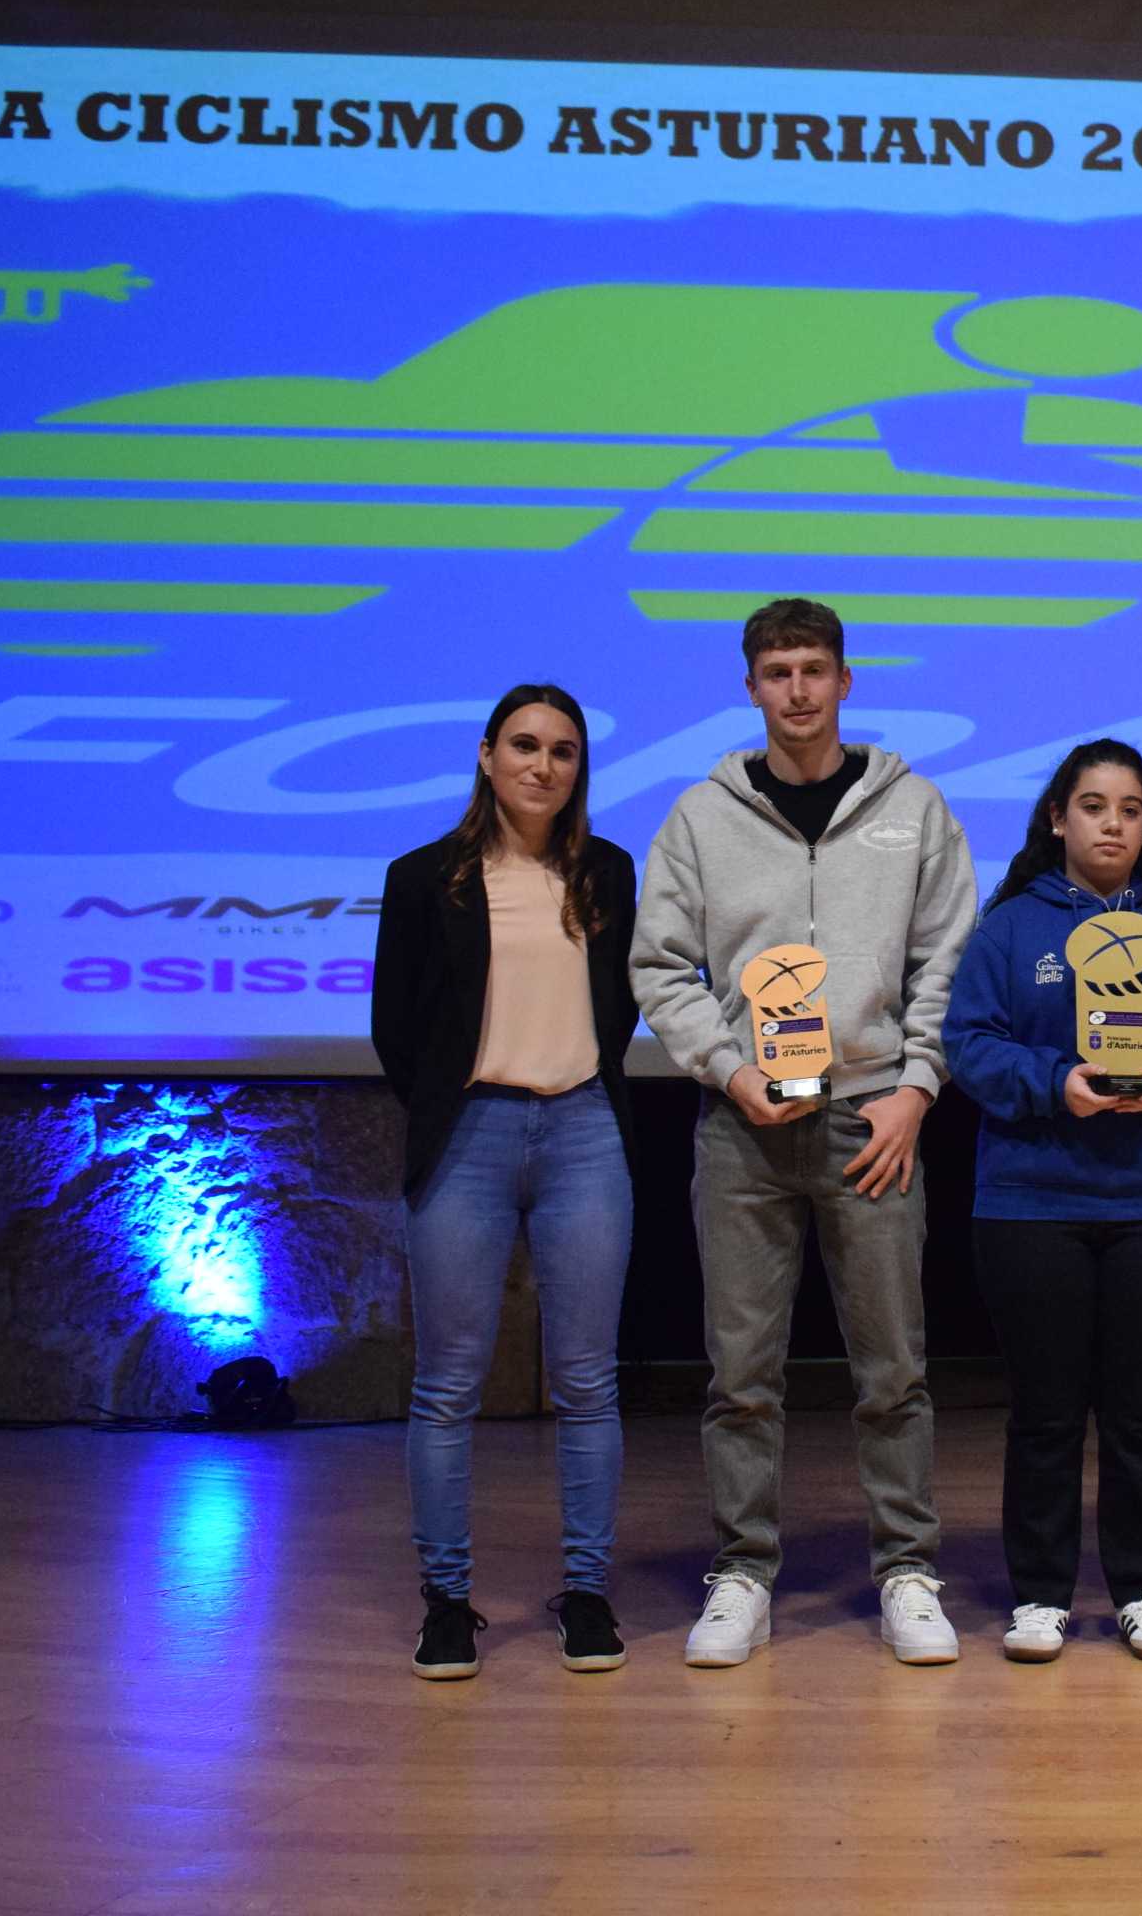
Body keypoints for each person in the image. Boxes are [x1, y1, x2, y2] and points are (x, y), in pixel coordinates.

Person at [630, 598, 980, 1667]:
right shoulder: (701, 814)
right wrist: (730, 1069)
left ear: (844, 681)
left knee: (892, 1369)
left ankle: (906, 1570)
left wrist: (916, 1086)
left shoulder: (912, 806)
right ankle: (741, 1571)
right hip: (743, 1127)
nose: (796, 689)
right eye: (776, 671)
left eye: (814, 669)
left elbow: (946, 959)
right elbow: (658, 966)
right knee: (741, 1370)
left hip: (872, 1116)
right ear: (750, 687)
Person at [944, 740, 1142, 1665]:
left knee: (1140, 1414)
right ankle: (1039, 1594)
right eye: (1092, 806)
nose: (1110, 823)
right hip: (1030, 1203)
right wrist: (1054, 1081)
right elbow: (969, 1044)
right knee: (1043, 1411)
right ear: (1056, 820)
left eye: (1128, 809)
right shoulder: (1007, 931)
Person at [371, 684, 641, 1680]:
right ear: (486, 756)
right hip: (469, 1135)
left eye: (563, 750)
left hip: (583, 1133)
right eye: (523, 745)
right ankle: (446, 1602)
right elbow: (395, 1029)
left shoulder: (607, 872)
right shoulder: (423, 877)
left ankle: (586, 1593)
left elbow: (618, 1010)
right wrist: (463, 1103)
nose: (542, 764)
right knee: (446, 1385)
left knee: (586, 1381)